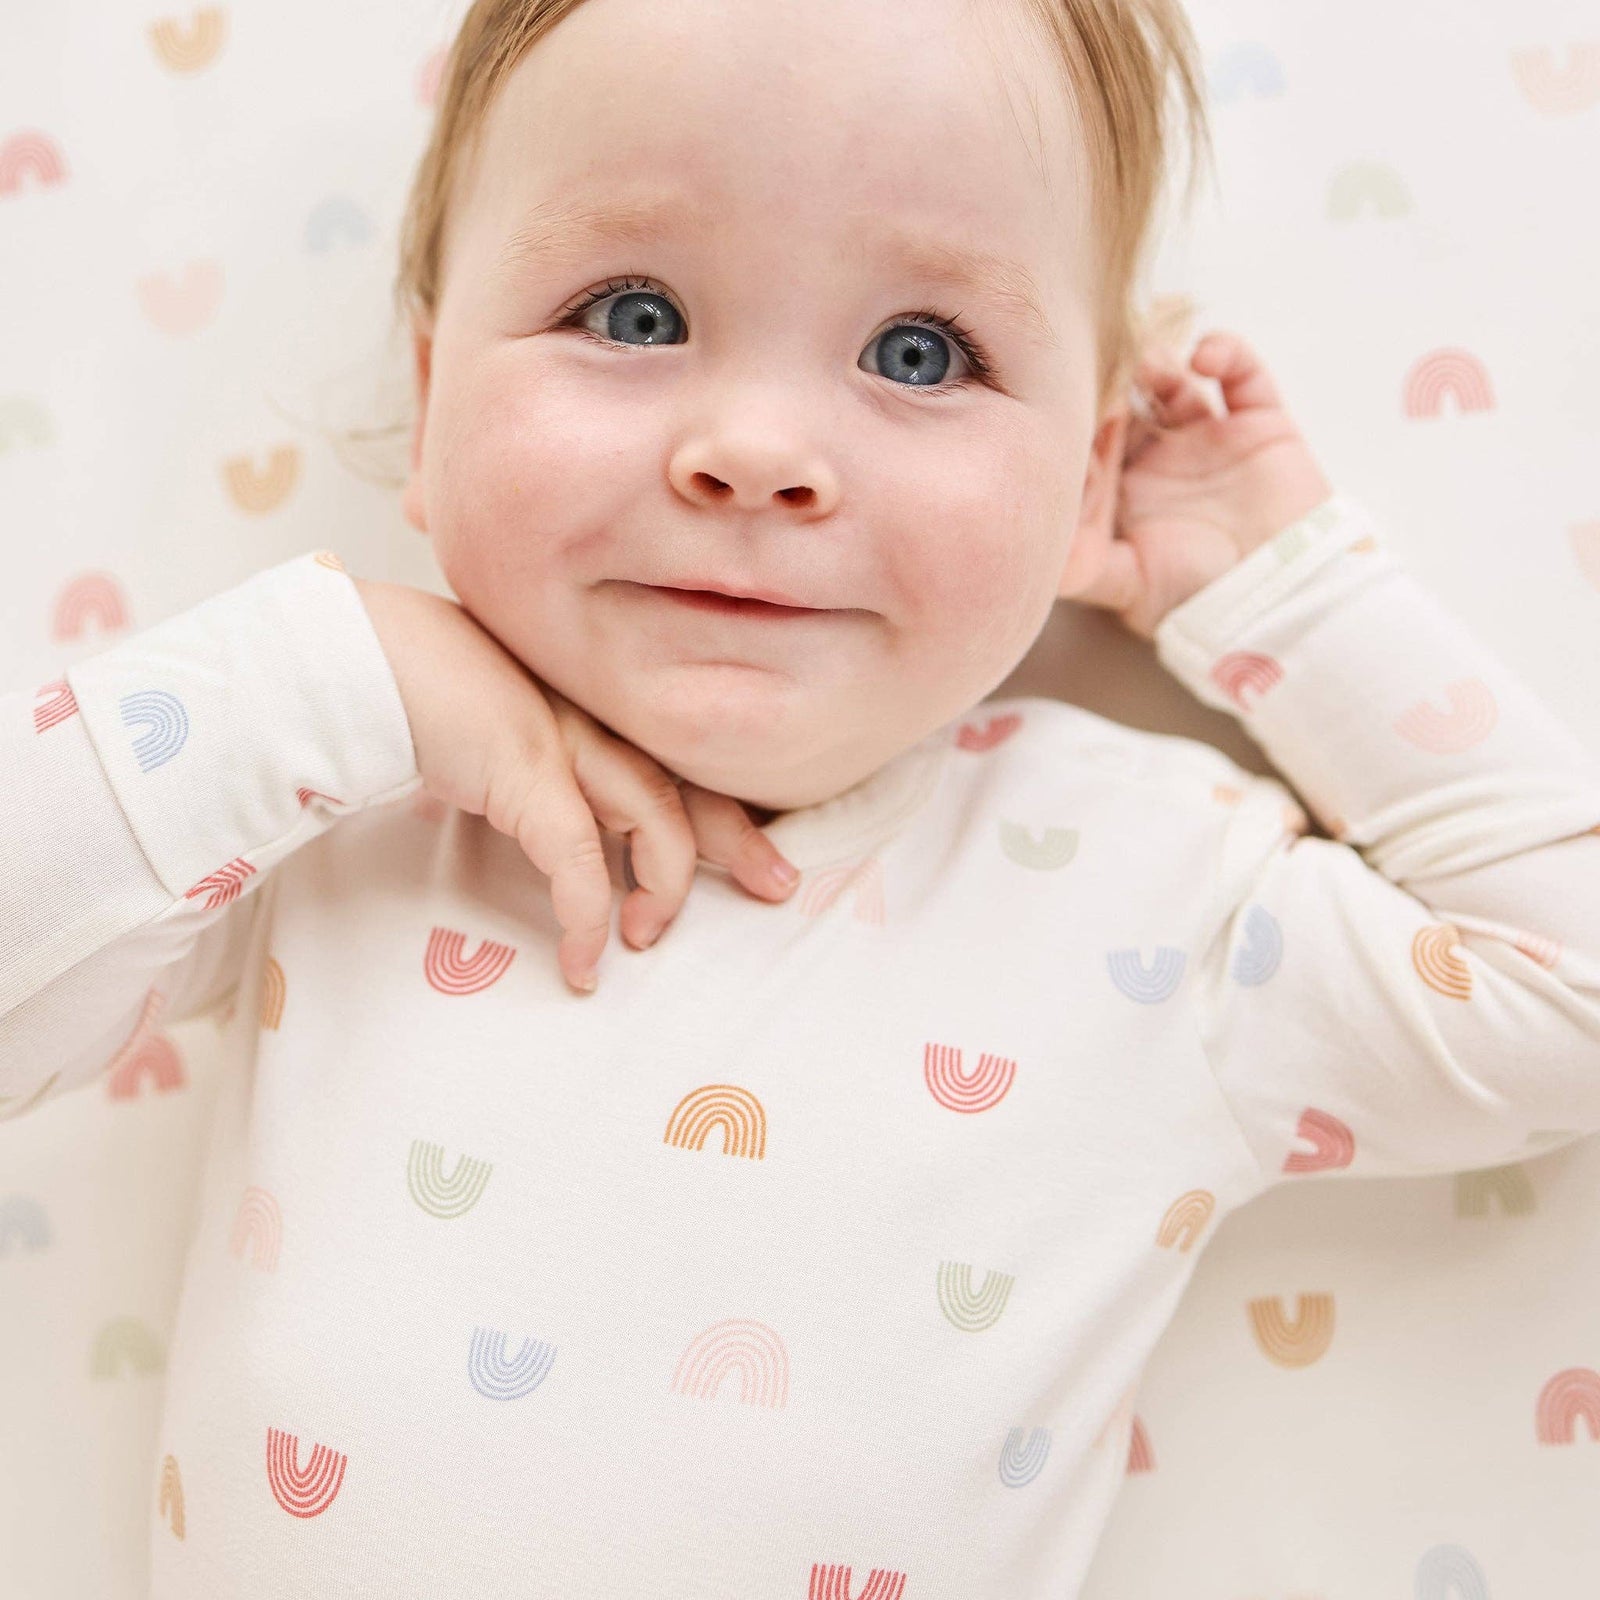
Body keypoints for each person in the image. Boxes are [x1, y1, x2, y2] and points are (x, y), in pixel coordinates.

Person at [4, 0, 1599, 1593]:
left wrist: (1284, 596)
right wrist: (326, 681)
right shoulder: (332, 800)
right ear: (429, 408)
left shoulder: (1143, 895)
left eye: (922, 354)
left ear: (1089, 480)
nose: (758, 451)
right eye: (632, 315)